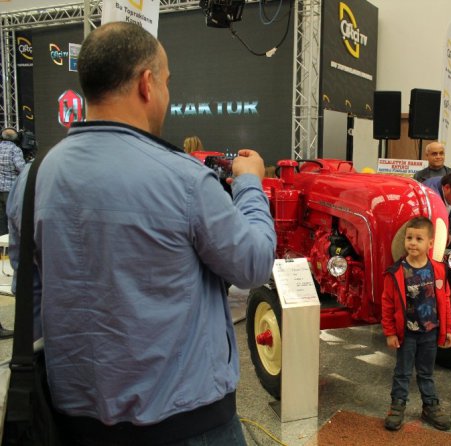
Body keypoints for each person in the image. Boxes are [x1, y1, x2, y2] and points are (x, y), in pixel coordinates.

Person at [7, 22, 276, 445]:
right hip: (189, 425)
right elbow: (254, 263)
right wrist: (249, 185)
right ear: (147, 84)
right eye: (167, 82)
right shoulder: (185, 181)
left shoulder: (32, 179)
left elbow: (34, 297)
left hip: (74, 424)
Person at [382, 216, 451, 432]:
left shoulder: (438, 270)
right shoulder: (396, 273)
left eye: (418, 239)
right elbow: (387, 304)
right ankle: (397, 405)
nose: (412, 243)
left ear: (430, 244)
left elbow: (445, 300)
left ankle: (430, 405)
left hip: (430, 333)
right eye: (409, 238)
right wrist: (390, 332)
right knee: (402, 372)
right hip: (407, 334)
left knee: (426, 372)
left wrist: (447, 329)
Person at [0, 127, 26, 235]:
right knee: (12, 216)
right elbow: (22, 168)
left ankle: (2, 244)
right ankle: (11, 242)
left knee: (1, 218)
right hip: (10, 189)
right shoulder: (15, 150)